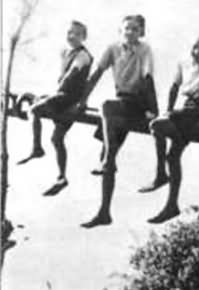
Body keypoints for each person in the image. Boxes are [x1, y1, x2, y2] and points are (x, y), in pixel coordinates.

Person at [78, 14, 167, 228]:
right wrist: (82, 101)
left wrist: (153, 110)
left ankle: (110, 158)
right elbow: (96, 74)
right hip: (121, 102)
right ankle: (104, 212)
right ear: (120, 31)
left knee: (106, 110)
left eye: (135, 29)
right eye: (126, 28)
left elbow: (147, 79)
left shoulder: (144, 50)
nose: (130, 33)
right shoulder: (113, 49)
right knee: (107, 156)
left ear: (141, 32)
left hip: (139, 102)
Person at [147, 34, 199, 224]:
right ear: (191, 47)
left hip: (198, 112)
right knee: (172, 156)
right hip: (182, 110)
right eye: (196, 47)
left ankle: (160, 174)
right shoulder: (184, 63)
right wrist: (168, 109)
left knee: (156, 125)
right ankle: (171, 205)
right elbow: (174, 87)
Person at [19, 20, 92, 197]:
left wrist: (51, 96)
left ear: (84, 37)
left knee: (34, 110)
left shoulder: (83, 55)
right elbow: (61, 78)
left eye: (76, 34)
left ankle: (37, 148)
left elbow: (71, 75)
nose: (72, 36)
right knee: (57, 138)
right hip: (62, 96)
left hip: (69, 99)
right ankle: (61, 177)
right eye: (69, 33)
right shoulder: (65, 52)